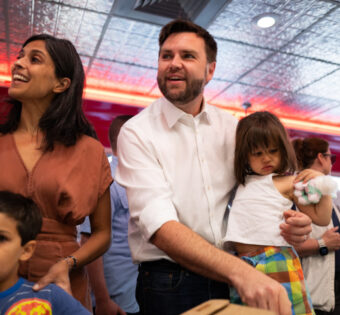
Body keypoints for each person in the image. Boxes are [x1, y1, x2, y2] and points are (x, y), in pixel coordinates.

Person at [115, 19, 312, 315]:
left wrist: (294, 224)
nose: (174, 63)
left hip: (240, 271)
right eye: (166, 56)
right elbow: (158, 225)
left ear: (210, 70)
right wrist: (240, 271)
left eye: (187, 56)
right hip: (171, 281)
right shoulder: (137, 132)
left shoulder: (233, 128)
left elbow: (259, 191)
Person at [0, 34, 112, 310]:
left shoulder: (91, 151)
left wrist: (68, 264)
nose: (18, 64)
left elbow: (103, 233)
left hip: (59, 283)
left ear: (61, 83)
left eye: (34, 59)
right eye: (20, 56)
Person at [223, 111, 333, 315]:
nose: (266, 158)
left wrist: (323, 184)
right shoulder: (240, 182)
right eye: (257, 153)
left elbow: (322, 217)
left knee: (290, 311)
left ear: (283, 149)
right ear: (245, 155)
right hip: (242, 263)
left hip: (276, 258)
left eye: (273, 151)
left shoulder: (287, 182)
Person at [81, 115, 139, 315]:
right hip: (112, 300)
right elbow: (88, 242)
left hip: (133, 293)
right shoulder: (107, 181)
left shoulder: (134, 180)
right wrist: (103, 300)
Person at [293, 137, 340, 314]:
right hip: (311, 294)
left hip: (329, 289)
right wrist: (322, 244)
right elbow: (282, 246)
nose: (332, 163)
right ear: (321, 157)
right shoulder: (301, 189)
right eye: (331, 158)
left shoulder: (324, 191)